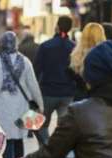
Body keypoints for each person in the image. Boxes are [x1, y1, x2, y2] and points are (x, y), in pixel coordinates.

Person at [0, 31, 43, 158]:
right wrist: (40, 105)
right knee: (19, 139)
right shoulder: (25, 61)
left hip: (2, 108)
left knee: (7, 140)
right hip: (22, 107)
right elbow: (33, 85)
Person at [34, 16, 75, 144]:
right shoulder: (74, 47)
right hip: (68, 94)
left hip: (47, 92)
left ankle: (46, 149)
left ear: (57, 26)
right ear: (70, 28)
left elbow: (36, 69)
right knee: (64, 127)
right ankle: (59, 153)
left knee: (40, 125)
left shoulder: (45, 46)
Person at [70, 23, 106, 102]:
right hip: (101, 99)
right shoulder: (105, 56)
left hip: (79, 99)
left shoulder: (75, 56)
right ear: (101, 36)